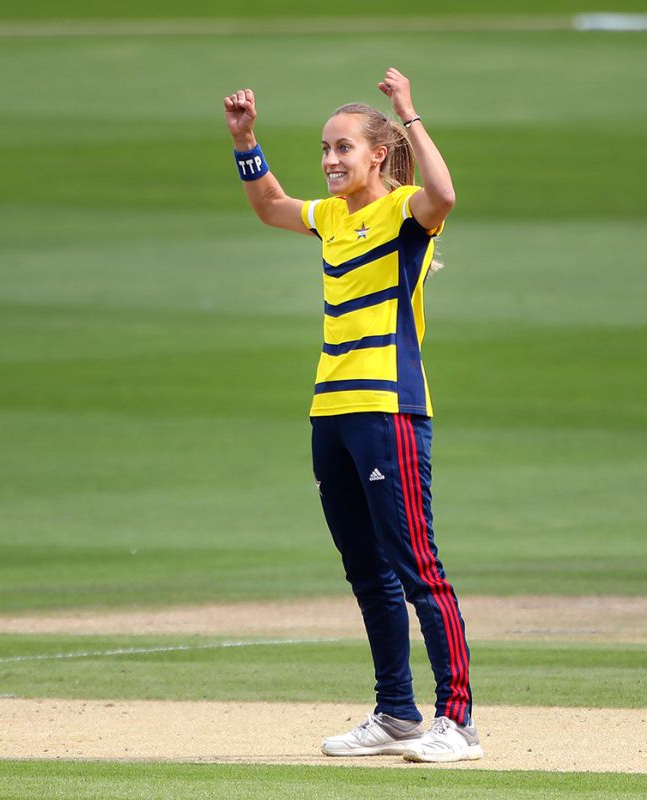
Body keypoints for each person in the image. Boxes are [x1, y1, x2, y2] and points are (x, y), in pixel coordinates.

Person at [223, 68, 479, 764]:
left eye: (343, 148)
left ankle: (457, 720)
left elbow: (445, 193)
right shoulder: (332, 217)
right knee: (365, 570)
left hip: (387, 408)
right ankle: (397, 710)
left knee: (415, 563)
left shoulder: (405, 214)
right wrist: (247, 142)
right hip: (330, 410)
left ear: (376, 154)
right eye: (325, 150)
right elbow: (271, 206)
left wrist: (409, 113)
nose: (332, 160)